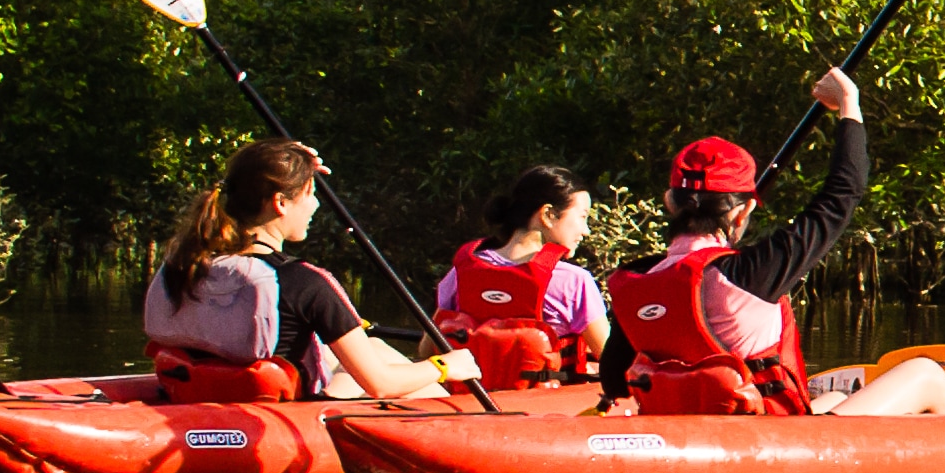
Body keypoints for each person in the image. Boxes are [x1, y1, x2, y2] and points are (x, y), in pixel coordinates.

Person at [598, 70, 945, 418]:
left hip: (701, 434)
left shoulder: (633, 280)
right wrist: (849, 101)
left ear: (670, 202)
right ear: (741, 211)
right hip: (770, 445)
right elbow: (843, 193)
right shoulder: (751, 272)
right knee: (924, 373)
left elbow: (614, 381)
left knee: (838, 400)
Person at [144, 139, 451, 404]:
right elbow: (381, 384)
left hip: (199, 390)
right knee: (420, 381)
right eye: (311, 193)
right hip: (282, 408)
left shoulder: (187, 261)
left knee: (374, 346)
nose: (316, 205)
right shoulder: (306, 283)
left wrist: (290, 158)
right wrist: (446, 366)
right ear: (280, 202)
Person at [435, 164, 607, 387]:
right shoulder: (574, 281)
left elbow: (427, 347)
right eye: (583, 217)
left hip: (469, 401)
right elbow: (611, 360)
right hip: (543, 412)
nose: (586, 230)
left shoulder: (461, 270)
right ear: (548, 215)